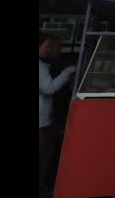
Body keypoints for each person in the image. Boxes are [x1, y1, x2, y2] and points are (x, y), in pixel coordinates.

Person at [39, 33, 76, 196]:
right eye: (48, 46)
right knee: (43, 153)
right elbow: (48, 88)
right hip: (40, 119)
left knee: (48, 151)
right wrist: (68, 71)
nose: (51, 50)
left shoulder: (46, 64)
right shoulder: (40, 66)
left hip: (46, 117)